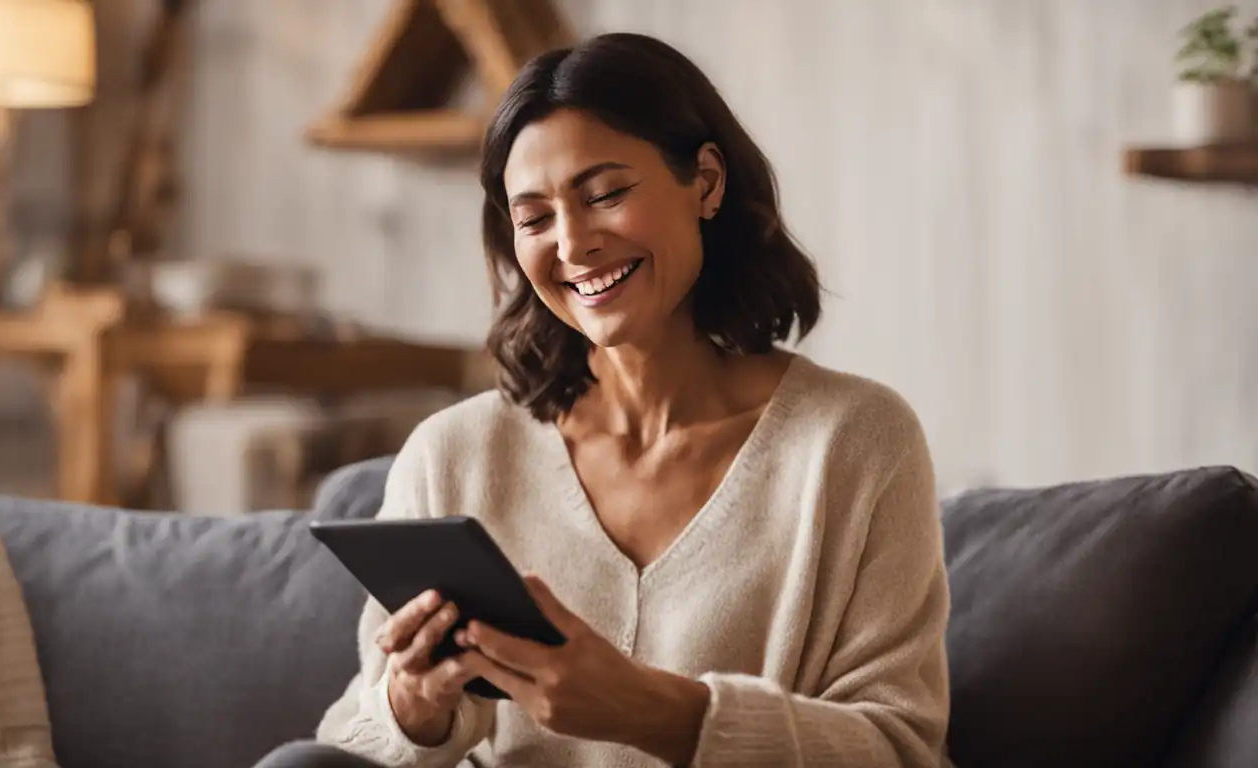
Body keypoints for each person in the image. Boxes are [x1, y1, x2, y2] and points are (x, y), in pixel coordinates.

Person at [255, 31, 950, 768]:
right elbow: (350, 741)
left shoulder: (854, 442)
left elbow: (899, 748)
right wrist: (415, 710)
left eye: (606, 194)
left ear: (706, 183)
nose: (574, 243)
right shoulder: (454, 454)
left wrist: (655, 712)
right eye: (535, 218)